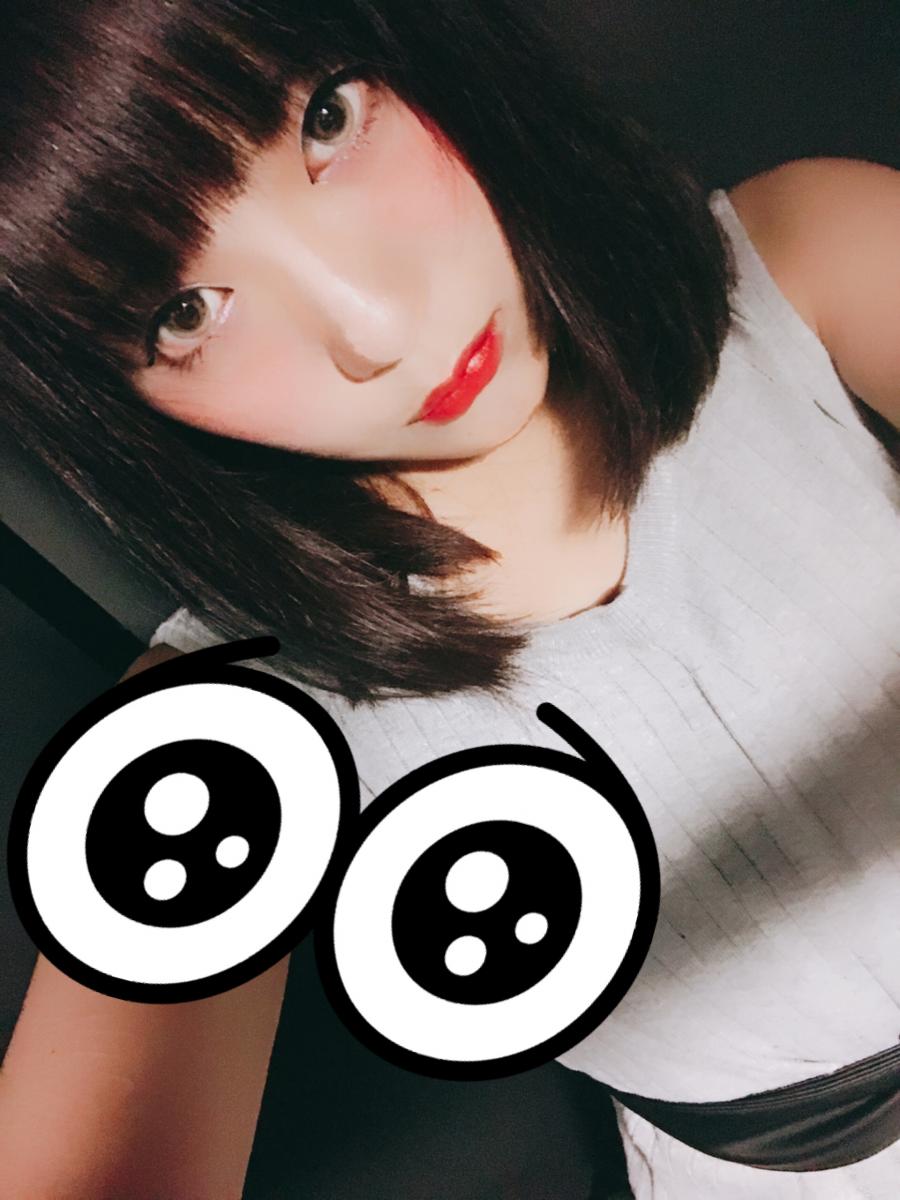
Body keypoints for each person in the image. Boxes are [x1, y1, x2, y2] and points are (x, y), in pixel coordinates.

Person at [1, 1, 898, 1197]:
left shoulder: (805, 257)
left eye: (327, 120)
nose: (377, 324)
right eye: (184, 313)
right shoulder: (228, 721)